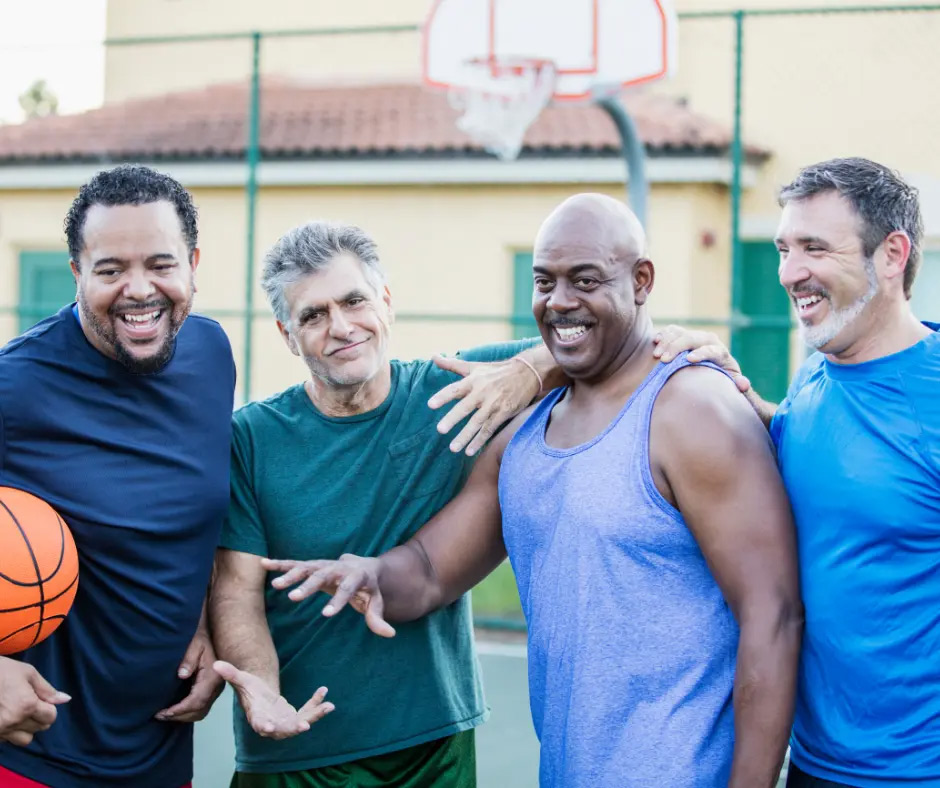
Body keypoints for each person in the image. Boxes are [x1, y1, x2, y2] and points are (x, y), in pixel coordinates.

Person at [262, 194, 804, 788]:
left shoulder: (693, 408)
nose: (560, 300)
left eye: (586, 279)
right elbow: (429, 570)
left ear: (642, 281)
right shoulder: (525, 426)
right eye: (544, 280)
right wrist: (369, 575)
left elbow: (772, 616)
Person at [209, 219, 565, 787]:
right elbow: (236, 589)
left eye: (354, 301)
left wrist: (526, 372)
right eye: (314, 315)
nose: (341, 327)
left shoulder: (454, 386)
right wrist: (262, 689)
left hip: (431, 747)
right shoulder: (251, 437)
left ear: (387, 303)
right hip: (295, 750)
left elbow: (600, 341)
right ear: (286, 333)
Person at [654, 157, 940, 788]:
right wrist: (732, 392)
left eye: (814, 247)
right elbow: (822, 456)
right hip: (812, 763)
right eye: (784, 247)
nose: (789, 272)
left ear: (892, 255)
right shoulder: (820, 369)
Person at [0, 165, 234, 787]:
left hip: (160, 750)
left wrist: (212, 611)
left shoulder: (211, 355)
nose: (139, 290)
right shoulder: (15, 387)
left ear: (193, 263)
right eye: (110, 270)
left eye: (161, 264)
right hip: (34, 752)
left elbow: (202, 508)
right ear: (77, 273)